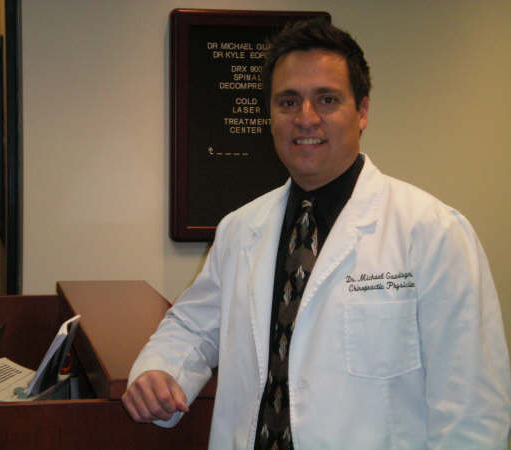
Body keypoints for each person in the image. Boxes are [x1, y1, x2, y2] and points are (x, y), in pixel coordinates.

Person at [122, 18, 511, 449]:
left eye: (327, 99)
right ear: (271, 114)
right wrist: (161, 369)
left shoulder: (433, 232)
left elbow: (473, 410)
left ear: (362, 111)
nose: (306, 119)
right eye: (288, 102)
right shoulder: (239, 229)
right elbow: (193, 325)